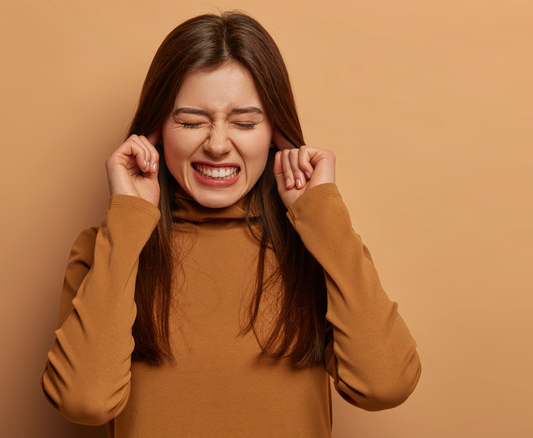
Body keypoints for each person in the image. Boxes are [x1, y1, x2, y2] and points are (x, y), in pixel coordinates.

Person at [40, 11, 421, 437]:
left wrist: (323, 213)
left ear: (275, 132)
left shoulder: (316, 245)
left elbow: (385, 386)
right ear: (156, 132)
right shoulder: (106, 248)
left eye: (244, 122)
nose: (218, 144)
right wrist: (129, 219)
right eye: (190, 121)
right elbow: (83, 401)